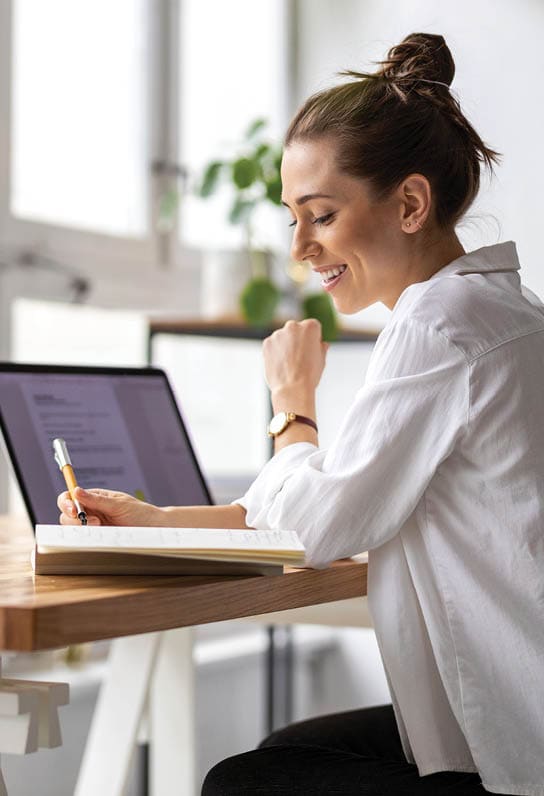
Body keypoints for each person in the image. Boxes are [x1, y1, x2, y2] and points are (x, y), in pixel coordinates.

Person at [58, 32, 544, 796]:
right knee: (289, 749)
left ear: (410, 203)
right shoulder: (501, 311)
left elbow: (312, 528)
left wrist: (292, 405)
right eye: (292, 218)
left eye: (319, 215)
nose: (300, 248)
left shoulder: (438, 327)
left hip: (516, 753)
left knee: (243, 782)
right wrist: (154, 519)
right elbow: (330, 500)